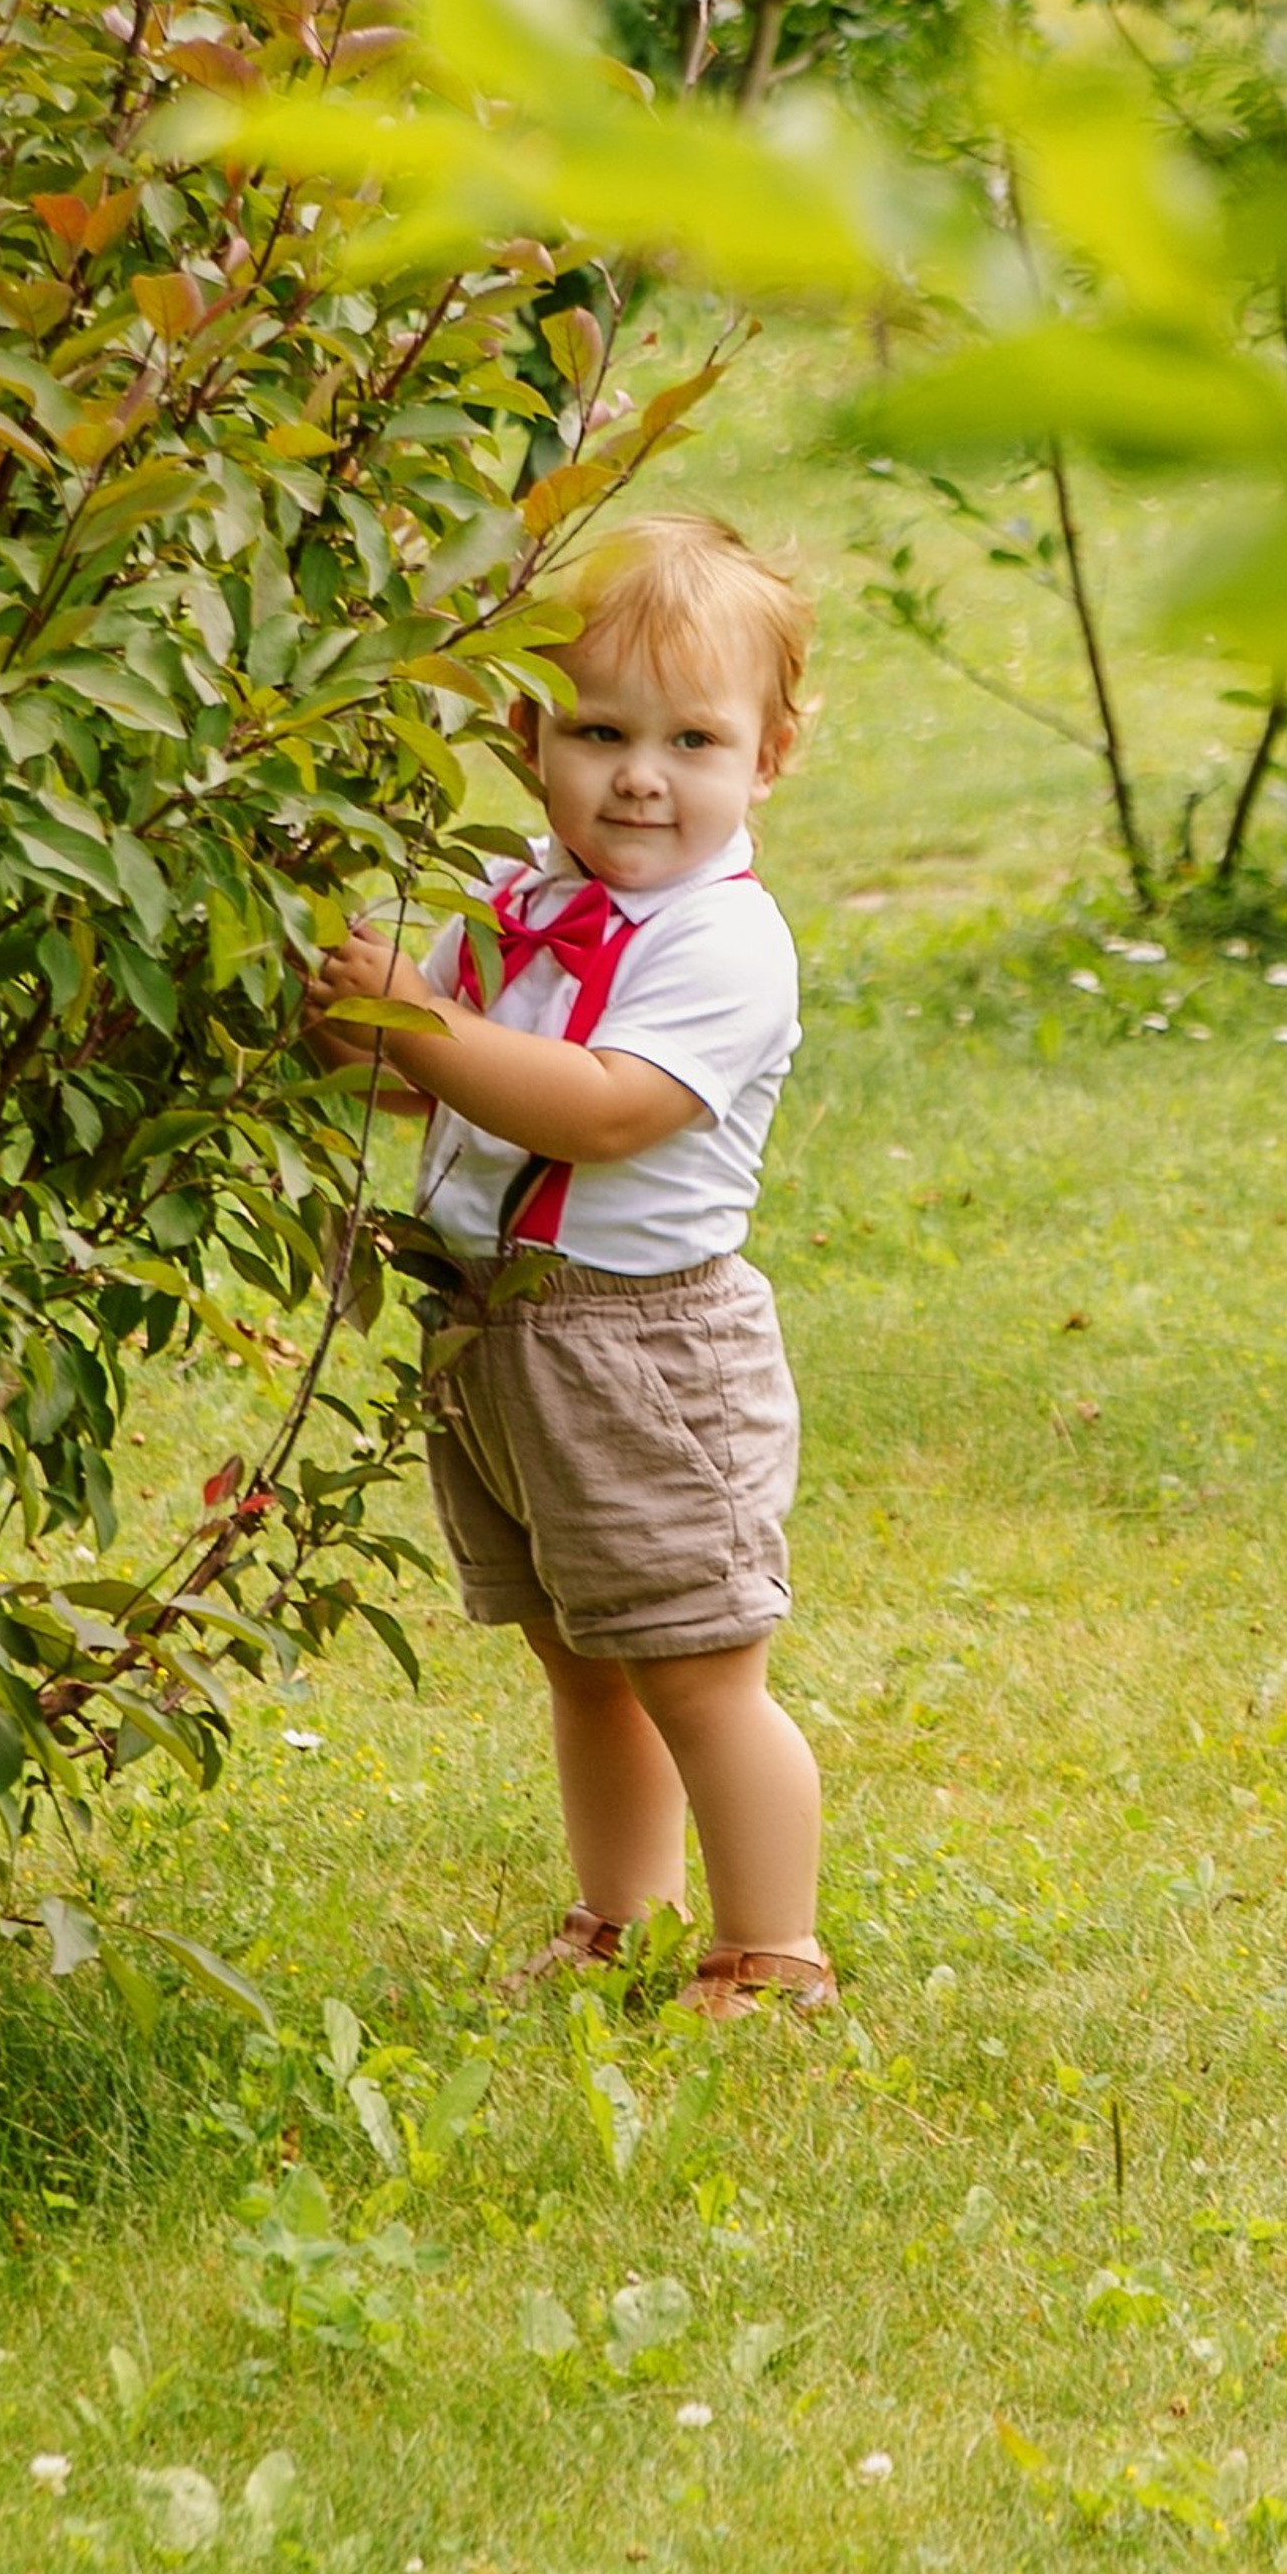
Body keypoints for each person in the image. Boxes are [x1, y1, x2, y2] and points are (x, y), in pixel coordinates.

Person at [303, 510, 833, 2017]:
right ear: (530, 733)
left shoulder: (723, 942)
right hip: (495, 1332)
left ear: (769, 757)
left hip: (643, 1347)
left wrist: (424, 1020)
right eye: (599, 730)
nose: (642, 776)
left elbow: (606, 1109)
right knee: (579, 1656)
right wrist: (352, 1026)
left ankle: (773, 1949)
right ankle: (624, 1914)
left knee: (697, 1664)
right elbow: (442, 1087)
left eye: (693, 740)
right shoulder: (522, 905)